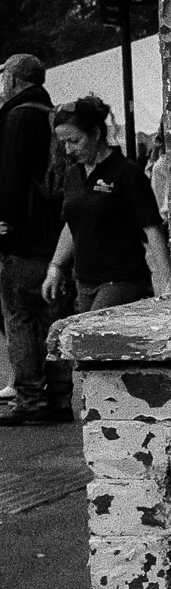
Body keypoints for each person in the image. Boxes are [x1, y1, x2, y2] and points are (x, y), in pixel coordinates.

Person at [0, 97, 169, 427]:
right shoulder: (76, 175)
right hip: (85, 280)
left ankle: (120, 417)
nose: (67, 149)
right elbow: (71, 224)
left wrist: (165, 282)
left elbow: (152, 229)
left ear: (96, 134)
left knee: (87, 339)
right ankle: (111, 416)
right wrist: (56, 267)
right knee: (94, 353)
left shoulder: (127, 174)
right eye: (62, 142)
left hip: (121, 279)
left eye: (74, 141)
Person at [0, 54, 60, 414]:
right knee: (49, 315)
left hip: (22, 234)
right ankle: (58, 393)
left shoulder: (17, 116)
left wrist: (4, 224)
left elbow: (9, 177)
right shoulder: (49, 113)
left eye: (4, 73)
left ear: (16, 79)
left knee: (19, 315)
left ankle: (30, 398)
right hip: (52, 233)